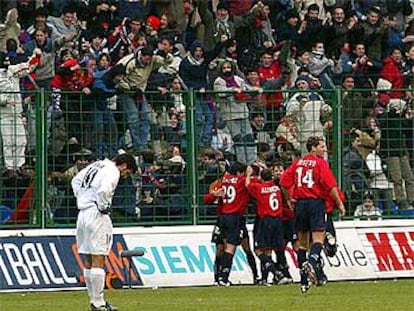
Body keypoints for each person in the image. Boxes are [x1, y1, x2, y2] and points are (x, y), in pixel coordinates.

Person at [279, 136, 345, 293]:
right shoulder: (320, 163)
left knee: (302, 243)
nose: (324, 149)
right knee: (318, 239)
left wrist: (289, 199)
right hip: (316, 203)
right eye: (321, 146)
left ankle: (303, 281)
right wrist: (340, 203)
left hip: (300, 204)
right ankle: (312, 262)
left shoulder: (298, 163)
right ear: (313, 148)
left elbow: (283, 182)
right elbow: (330, 186)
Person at [72, 153, 137, 311]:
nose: (123, 176)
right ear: (123, 166)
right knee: (98, 257)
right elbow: (104, 190)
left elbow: (76, 181)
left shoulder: (97, 165)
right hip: (97, 214)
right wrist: (103, 206)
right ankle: (99, 302)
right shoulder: (112, 171)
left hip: (83, 213)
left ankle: (93, 300)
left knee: (88, 258)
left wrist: (82, 197)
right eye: (126, 173)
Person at [246, 167, 285, 286]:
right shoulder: (277, 187)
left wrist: (248, 175)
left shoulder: (259, 188)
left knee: (258, 250)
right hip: (278, 220)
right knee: (269, 250)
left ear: (260, 178)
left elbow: (247, 184)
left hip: (266, 220)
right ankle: (265, 278)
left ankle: (276, 272)